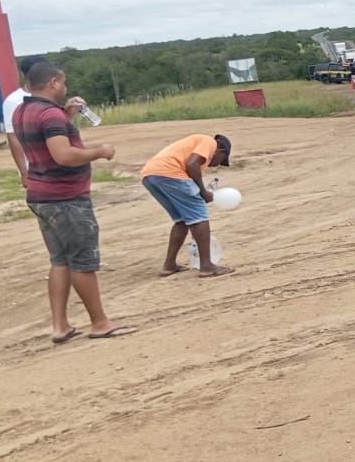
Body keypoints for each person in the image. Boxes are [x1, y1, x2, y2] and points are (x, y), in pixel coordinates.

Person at [12, 58, 135, 343]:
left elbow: (46, 140)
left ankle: (61, 325)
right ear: (53, 82)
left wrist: (66, 115)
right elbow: (64, 155)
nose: (65, 88)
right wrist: (100, 151)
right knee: (82, 262)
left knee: (60, 261)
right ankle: (100, 323)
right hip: (65, 197)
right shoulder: (50, 115)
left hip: (41, 195)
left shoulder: (22, 111)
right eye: (63, 83)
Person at [139, 133, 234, 277]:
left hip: (150, 175)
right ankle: (207, 266)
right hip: (170, 172)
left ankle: (169, 265)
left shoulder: (193, 145)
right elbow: (191, 164)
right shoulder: (209, 142)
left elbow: (189, 172)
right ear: (220, 149)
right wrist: (203, 192)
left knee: (182, 220)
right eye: (222, 160)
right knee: (200, 216)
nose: (217, 164)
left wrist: (198, 191)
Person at [3, 56, 88, 189]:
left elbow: (54, 128)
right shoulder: (14, 101)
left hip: (59, 168)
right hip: (38, 170)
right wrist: (24, 172)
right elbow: (13, 137)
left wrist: (68, 113)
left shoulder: (47, 94)